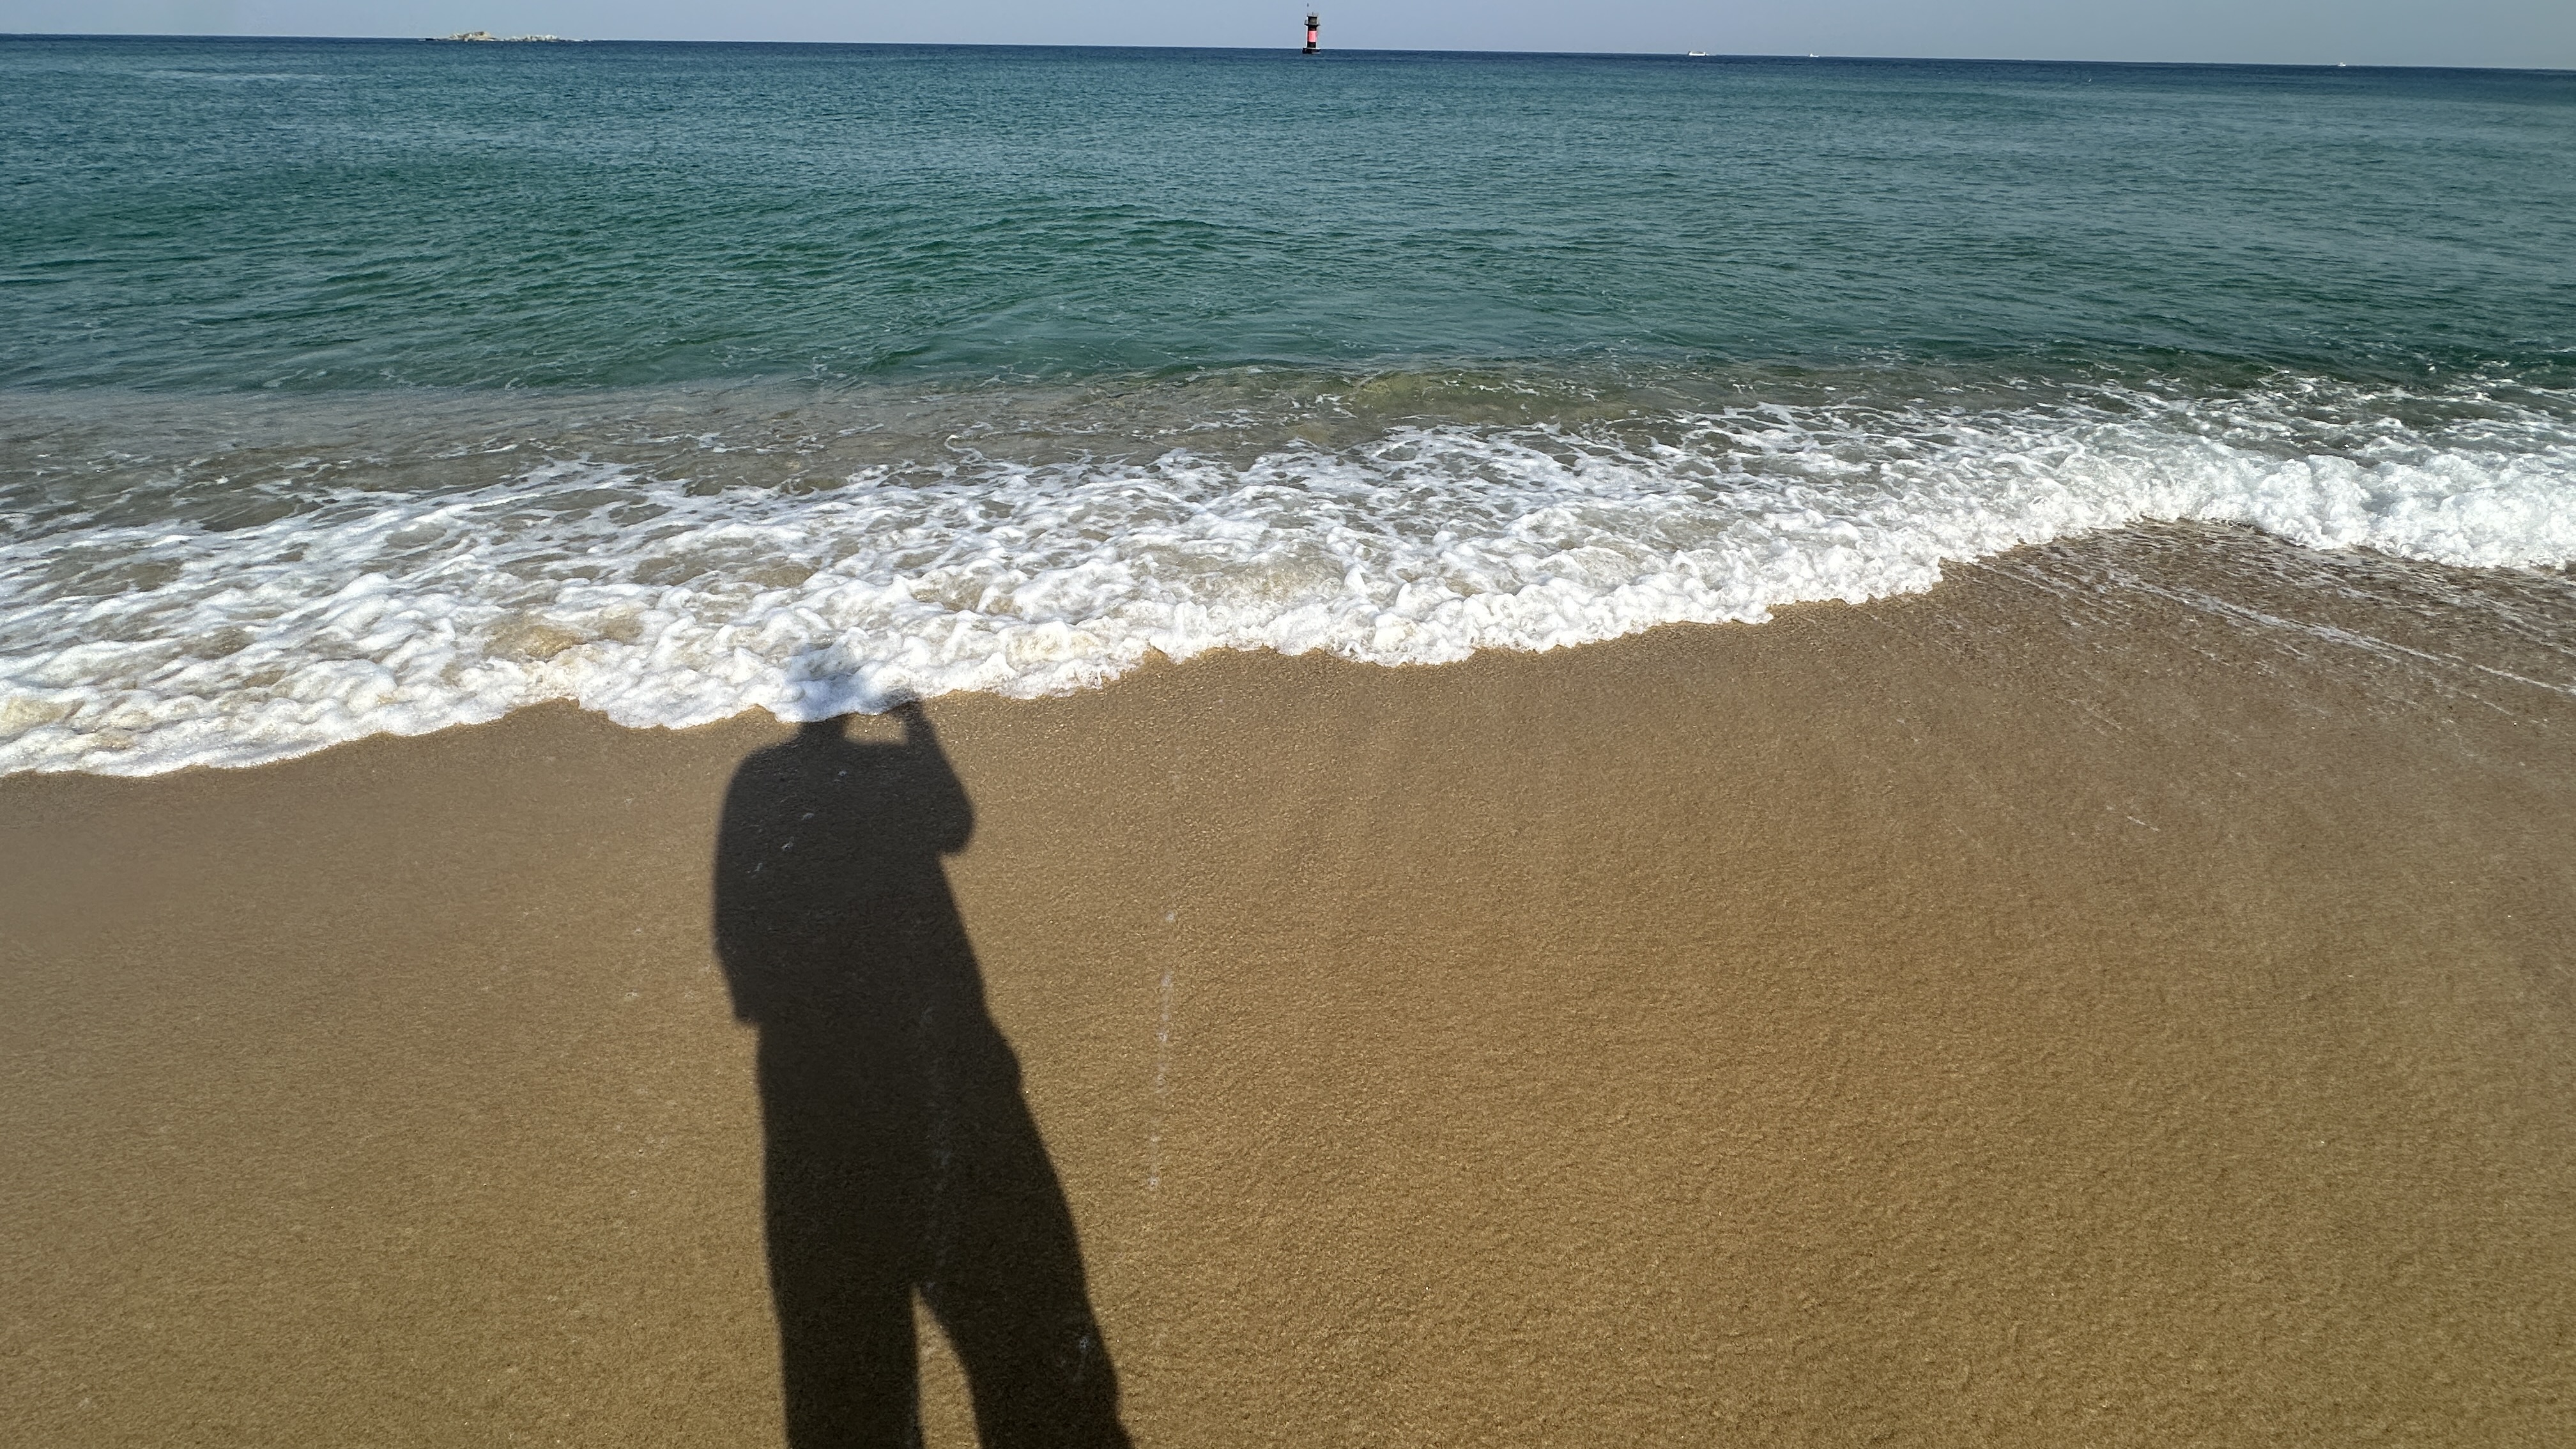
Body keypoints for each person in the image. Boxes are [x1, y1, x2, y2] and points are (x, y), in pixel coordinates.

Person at [714, 703, 1129, 1448]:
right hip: (951, 1079)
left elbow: (742, 965)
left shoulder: (759, 782)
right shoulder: (892, 773)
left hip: (816, 1105)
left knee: (844, 1378)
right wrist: (917, 721)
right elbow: (955, 823)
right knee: (1031, 1340)